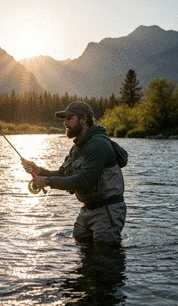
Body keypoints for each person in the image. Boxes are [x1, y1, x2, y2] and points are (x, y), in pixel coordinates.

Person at [21, 101, 127, 245]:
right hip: (87, 210)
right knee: (80, 243)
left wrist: (46, 181)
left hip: (107, 211)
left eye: (69, 118)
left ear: (83, 120)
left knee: (104, 258)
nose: (65, 123)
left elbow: (84, 180)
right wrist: (39, 171)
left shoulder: (98, 144)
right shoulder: (77, 148)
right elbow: (64, 174)